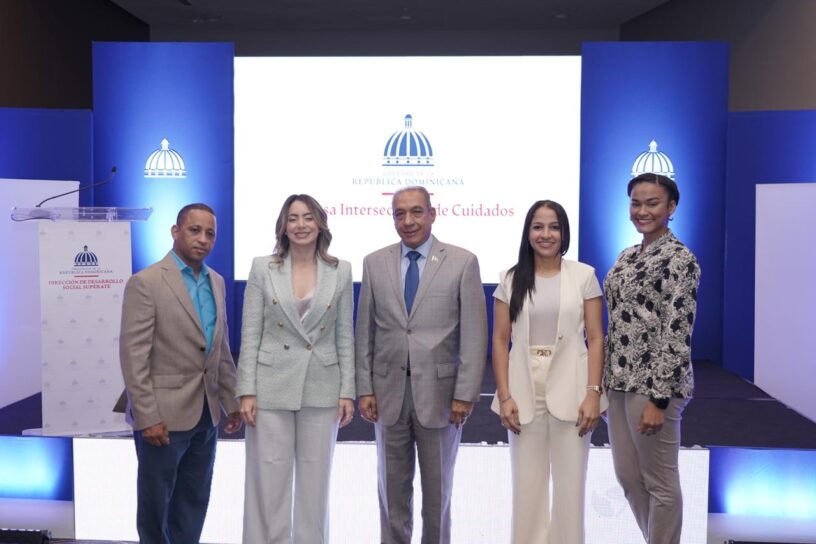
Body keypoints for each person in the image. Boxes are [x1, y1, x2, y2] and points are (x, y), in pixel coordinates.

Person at [355, 186, 487, 544]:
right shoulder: (374, 262)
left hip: (442, 399)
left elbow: (474, 334)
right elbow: (364, 331)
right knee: (391, 495)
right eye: (400, 213)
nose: (408, 221)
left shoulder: (462, 261)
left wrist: (465, 394)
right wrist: (365, 388)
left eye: (416, 211)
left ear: (432, 214)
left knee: (437, 496)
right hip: (387, 397)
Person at [119, 203, 242, 544]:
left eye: (210, 233)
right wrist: (147, 417)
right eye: (194, 230)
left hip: (206, 415)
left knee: (193, 503)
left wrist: (231, 403)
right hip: (162, 418)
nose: (203, 239)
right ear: (175, 231)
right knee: (156, 508)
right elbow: (133, 357)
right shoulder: (146, 282)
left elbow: (219, 348)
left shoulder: (217, 282)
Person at [236, 194, 354, 543]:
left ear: (320, 224)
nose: (301, 225)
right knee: (268, 484)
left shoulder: (341, 270)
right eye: (293, 218)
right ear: (283, 227)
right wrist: (246, 390)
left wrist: (347, 390)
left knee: (315, 487)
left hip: (322, 387)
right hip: (269, 386)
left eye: (308, 217)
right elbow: (250, 332)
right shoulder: (262, 267)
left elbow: (345, 334)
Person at [491, 200, 605, 543]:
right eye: (538, 226)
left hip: (573, 390)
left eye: (554, 227)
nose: (546, 234)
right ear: (528, 233)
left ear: (564, 233)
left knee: (571, 489)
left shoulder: (584, 276)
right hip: (523, 390)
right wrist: (505, 396)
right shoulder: (510, 279)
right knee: (527, 489)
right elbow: (500, 341)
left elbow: (596, 338)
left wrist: (593, 393)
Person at [604, 173, 701, 544]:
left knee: (660, 483)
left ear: (671, 207)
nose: (642, 211)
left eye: (652, 203)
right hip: (618, 383)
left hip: (655, 387)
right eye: (636, 203)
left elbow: (678, 331)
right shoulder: (627, 255)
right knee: (629, 478)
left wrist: (659, 400)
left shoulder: (681, 260)